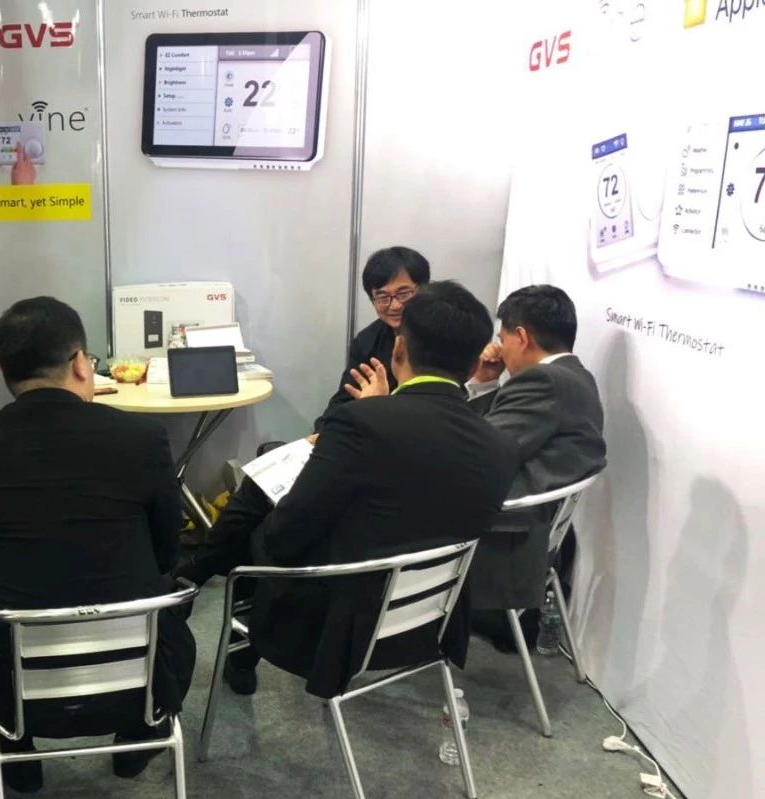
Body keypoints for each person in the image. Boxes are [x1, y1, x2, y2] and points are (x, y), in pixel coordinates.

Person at [178, 281, 520, 697]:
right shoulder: (502, 448)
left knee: (256, 507)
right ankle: (191, 585)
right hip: (431, 619)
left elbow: (285, 537)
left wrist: (374, 412)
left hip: (337, 622)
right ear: (474, 363)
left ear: (399, 349)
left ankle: (193, 590)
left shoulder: (361, 422)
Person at [0, 296, 194, 793]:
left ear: (5, 371)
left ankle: (16, 748)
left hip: (10, 683)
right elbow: (168, 549)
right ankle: (139, 735)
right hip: (138, 674)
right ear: (81, 363)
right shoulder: (142, 438)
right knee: (167, 594)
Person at [464, 284, 607, 638]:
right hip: (528, 523)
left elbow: (477, 452)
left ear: (522, 337)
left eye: (502, 338)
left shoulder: (544, 381)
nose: (499, 349)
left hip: (504, 531)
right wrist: (485, 384)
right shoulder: (575, 375)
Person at [313, 246, 431, 426]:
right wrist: (322, 431)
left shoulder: (444, 333)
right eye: (383, 297)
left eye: (403, 294)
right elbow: (344, 400)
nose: (395, 306)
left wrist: (379, 406)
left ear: (424, 290)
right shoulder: (367, 341)